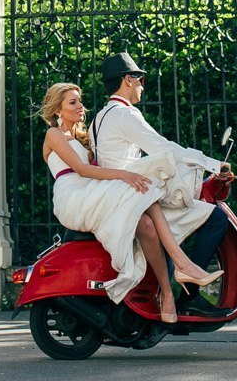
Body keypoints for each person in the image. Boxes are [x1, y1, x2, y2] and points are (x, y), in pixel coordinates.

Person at [40, 82, 223, 323]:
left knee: (147, 224)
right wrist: (126, 175)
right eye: (72, 102)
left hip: (95, 192)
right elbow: (82, 170)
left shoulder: (85, 137)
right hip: (74, 196)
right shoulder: (54, 134)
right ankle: (182, 264)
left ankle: (166, 294)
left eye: (80, 100)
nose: (80, 106)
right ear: (57, 110)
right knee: (142, 187)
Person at [91, 52, 235, 318]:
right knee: (215, 217)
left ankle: (178, 280)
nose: (143, 85)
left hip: (120, 195)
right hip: (131, 195)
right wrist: (214, 165)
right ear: (128, 80)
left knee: (183, 214)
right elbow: (163, 148)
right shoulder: (125, 115)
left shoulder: (98, 118)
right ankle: (190, 293)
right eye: (141, 79)